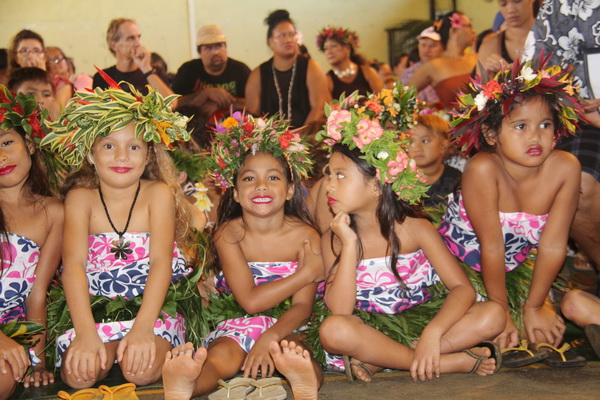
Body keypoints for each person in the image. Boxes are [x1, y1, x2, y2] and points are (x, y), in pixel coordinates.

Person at [316, 104, 504, 383]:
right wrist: (349, 243)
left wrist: (433, 332)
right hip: (367, 329)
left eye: (340, 175)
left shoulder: (416, 229)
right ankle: (450, 362)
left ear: (376, 185)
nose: (329, 185)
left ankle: (384, 360)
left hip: (420, 322)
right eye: (328, 174)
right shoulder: (334, 238)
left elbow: (461, 289)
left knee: (493, 314)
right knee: (334, 331)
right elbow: (341, 311)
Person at [41, 79, 194, 389]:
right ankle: (106, 349)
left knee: (141, 371)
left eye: (134, 146)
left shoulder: (159, 194)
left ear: (149, 155)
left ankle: (131, 346)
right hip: (94, 308)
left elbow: (161, 263)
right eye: (109, 146)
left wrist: (141, 329)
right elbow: (73, 266)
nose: (121, 156)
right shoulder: (79, 198)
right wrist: (85, 333)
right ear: (90, 155)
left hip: (151, 308)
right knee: (78, 376)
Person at [162, 113, 323, 400]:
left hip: (289, 322)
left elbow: (302, 307)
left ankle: (304, 381)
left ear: (289, 191)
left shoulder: (306, 236)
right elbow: (249, 300)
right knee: (221, 354)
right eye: (249, 178)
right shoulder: (229, 233)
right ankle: (187, 384)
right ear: (235, 193)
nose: (261, 186)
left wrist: (270, 337)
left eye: (273, 177)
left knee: (297, 350)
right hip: (239, 318)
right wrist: (306, 273)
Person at [438, 59, 586, 364]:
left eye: (545, 125)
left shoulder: (565, 168)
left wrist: (533, 304)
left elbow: (554, 243)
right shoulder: (482, 168)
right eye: (521, 126)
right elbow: (491, 246)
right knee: (493, 322)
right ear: (493, 136)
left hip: (517, 262)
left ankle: (534, 309)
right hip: (462, 264)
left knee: (537, 320)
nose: (535, 137)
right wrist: (501, 309)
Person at [522, 0, 600, 291]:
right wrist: (568, 106)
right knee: (574, 184)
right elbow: (537, 74)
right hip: (584, 117)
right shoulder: (561, 6)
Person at [0, 87, 63, 399]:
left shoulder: (53, 212)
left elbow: (37, 295)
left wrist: (36, 361)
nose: (1, 156)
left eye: (7, 143)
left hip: (14, 331)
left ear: (29, 143)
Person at [246, 10, 330, 133]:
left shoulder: (311, 67)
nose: (288, 40)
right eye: (282, 35)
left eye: (292, 34)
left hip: (307, 140)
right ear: (270, 41)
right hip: (270, 144)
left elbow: (319, 107)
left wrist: (300, 138)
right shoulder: (258, 74)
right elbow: (252, 115)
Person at [173, 25, 251, 118]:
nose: (215, 52)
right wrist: (205, 93)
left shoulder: (240, 70)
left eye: (219, 46)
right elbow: (175, 103)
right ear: (200, 53)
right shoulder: (188, 70)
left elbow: (254, 103)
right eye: (208, 48)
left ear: (225, 48)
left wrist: (219, 104)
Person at [408, 12, 476, 110]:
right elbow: (402, 96)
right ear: (454, 31)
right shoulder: (433, 66)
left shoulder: (476, 58)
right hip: (456, 123)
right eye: (468, 26)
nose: (473, 31)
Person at [92, 19, 173, 100]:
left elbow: (171, 104)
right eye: (131, 38)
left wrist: (146, 69)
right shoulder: (102, 77)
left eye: (138, 37)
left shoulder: (155, 72)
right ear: (114, 45)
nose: (138, 43)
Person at [7, 30, 73, 108]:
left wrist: (41, 74)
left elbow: (58, 115)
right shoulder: (8, 82)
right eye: (24, 51)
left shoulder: (61, 84)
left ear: (44, 56)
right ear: (16, 57)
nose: (31, 56)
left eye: (36, 51)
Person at [409, 113, 461, 208]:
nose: (417, 148)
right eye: (411, 142)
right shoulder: (399, 179)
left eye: (425, 141)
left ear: (443, 146)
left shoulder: (457, 181)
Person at [316, 26, 383, 99]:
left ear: (347, 48)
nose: (329, 52)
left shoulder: (368, 72)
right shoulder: (327, 80)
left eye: (334, 46)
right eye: (325, 48)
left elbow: (382, 99)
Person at [477, 0, 537, 76]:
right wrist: (488, 77)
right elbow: (480, 85)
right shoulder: (490, 46)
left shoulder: (550, 40)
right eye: (503, 4)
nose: (511, 10)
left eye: (517, 1)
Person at [401, 27, 444, 105]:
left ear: (443, 48)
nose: (427, 50)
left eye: (432, 46)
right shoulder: (409, 73)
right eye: (423, 45)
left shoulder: (448, 70)